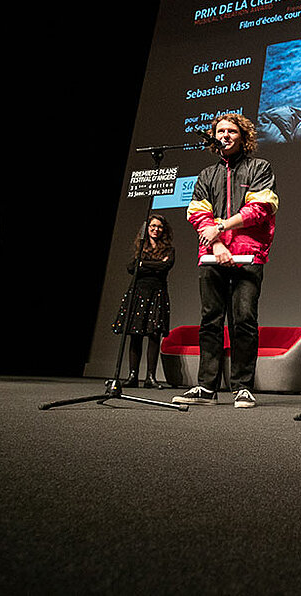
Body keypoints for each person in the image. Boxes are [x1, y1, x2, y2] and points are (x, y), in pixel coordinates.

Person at [175, 113, 278, 408]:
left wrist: (220, 227)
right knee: (210, 321)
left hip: (248, 254)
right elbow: (196, 213)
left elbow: (260, 209)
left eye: (232, 131)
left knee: (243, 320)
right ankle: (206, 387)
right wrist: (218, 244)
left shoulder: (260, 168)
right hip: (212, 255)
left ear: (243, 136)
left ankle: (242, 387)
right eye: (220, 130)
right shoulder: (206, 175)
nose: (225, 135)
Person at [111, 215, 175, 389]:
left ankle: (150, 378)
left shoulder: (169, 249)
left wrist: (144, 265)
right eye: (153, 226)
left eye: (160, 226)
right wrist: (152, 264)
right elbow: (131, 267)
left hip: (157, 293)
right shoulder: (140, 246)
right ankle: (132, 376)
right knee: (135, 335)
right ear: (147, 229)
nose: (156, 229)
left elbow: (165, 267)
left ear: (164, 230)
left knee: (154, 336)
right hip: (138, 292)